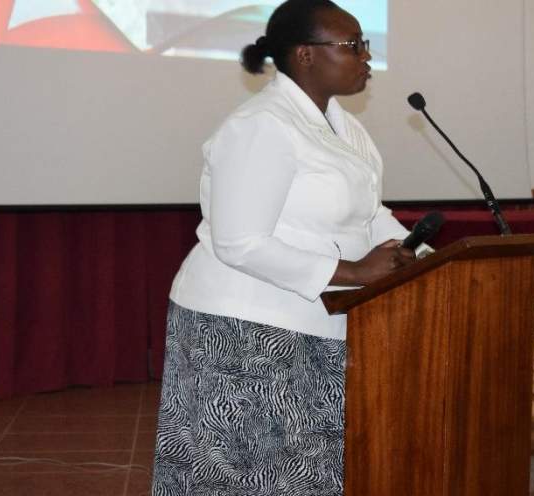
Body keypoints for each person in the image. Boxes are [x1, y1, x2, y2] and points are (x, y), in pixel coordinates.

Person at [151, 1, 415, 494]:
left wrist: (409, 250)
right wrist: (354, 269)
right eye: (352, 46)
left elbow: (367, 210)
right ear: (305, 56)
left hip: (316, 322)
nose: (366, 58)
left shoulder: (343, 124)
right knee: (241, 477)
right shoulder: (261, 125)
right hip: (242, 332)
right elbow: (238, 242)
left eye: (366, 45)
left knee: (304, 473)